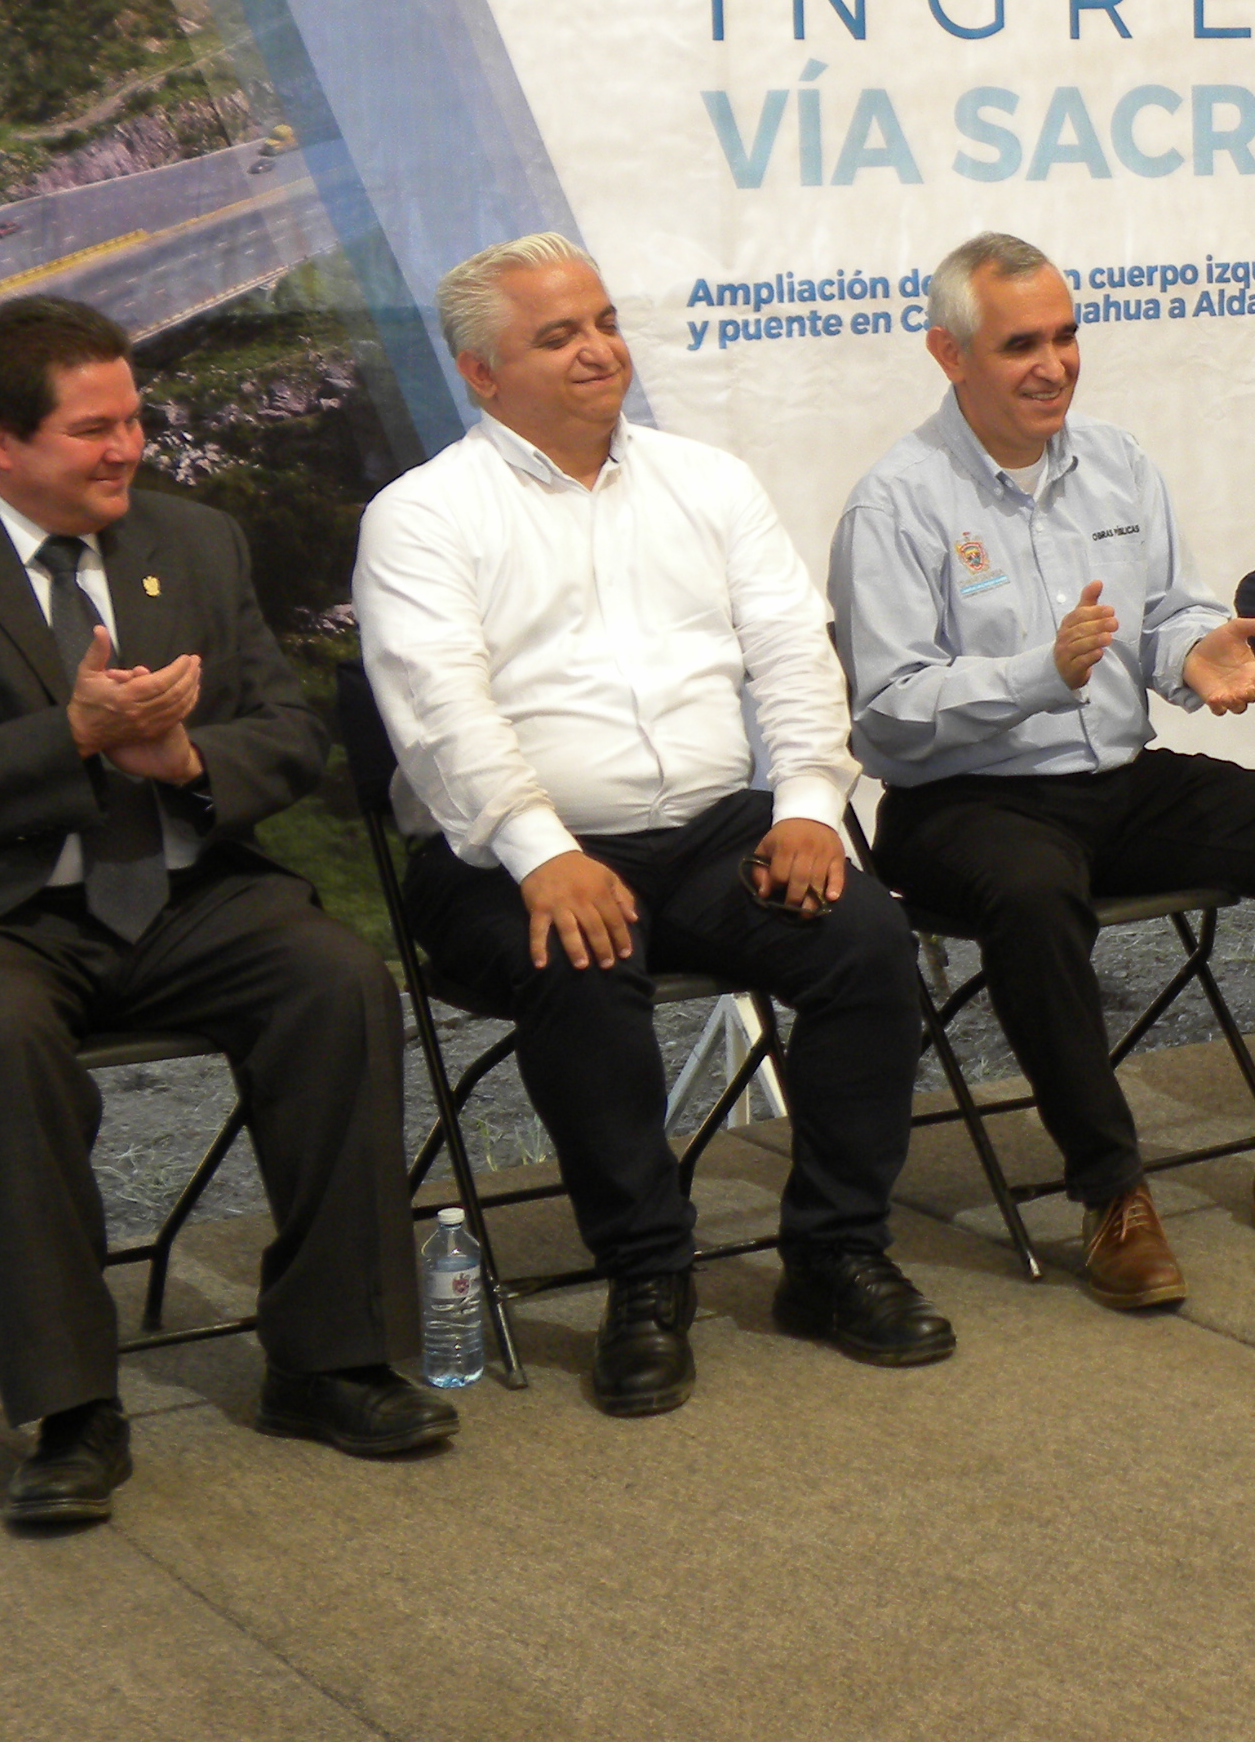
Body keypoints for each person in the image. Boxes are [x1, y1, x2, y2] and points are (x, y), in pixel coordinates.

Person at [0, 297, 446, 1529]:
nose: (128, 448)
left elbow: (286, 736)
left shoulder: (193, 539)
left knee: (336, 981)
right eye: (94, 430)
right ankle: (71, 1409)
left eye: (134, 419)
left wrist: (184, 761)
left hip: (183, 893)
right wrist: (69, 739)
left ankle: (332, 1359)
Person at [356, 234, 950, 1419]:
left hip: (709, 832)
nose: (598, 350)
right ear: (480, 373)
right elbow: (443, 715)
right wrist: (544, 853)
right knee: (580, 956)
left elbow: (794, 652)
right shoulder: (421, 516)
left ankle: (834, 1253)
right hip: (499, 853)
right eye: (557, 335)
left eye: (604, 321)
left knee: (865, 942)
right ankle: (645, 1275)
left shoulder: (707, 481)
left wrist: (806, 807)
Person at [834, 234, 1255, 1313]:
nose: (1054, 366)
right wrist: (1037, 675)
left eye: (1066, 336)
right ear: (949, 355)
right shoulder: (897, 501)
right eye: (1021, 346)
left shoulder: (1115, 461)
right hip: (963, 802)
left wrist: (1194, 653)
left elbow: (1168, 610)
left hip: (1118, 781)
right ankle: (1112, 1192)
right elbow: (886, 715)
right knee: (1032, 894)